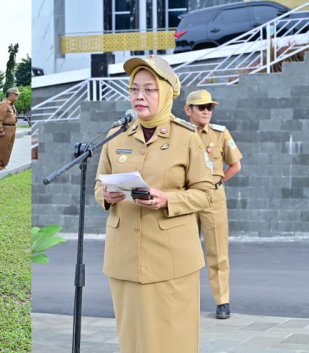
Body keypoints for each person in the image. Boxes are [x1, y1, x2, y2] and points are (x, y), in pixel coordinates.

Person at [94, 55, 214, 352]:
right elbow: (100, 183)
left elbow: (205, 192)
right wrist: (106, 196)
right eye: (135, 88)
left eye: (149, 89)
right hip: (125, 258)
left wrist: (167, 199)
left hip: (171, 258)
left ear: (166, 93)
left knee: (174, 338)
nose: (139, 96)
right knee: (134, 338)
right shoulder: (115, 135)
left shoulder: (187, 138)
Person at [184, 89, 243, 319]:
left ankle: (222, 301)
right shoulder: (180, 134)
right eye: (202, 107)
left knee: (217, 250)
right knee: (185, 251)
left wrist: (216, 184)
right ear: (188, 110)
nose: (207, 111)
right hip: (186, 197)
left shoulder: (220, 133)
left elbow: (235, 165)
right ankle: (186, 301)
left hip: (212, 197)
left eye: (210, 107)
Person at [0, 87, 20, 171]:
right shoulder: (3, 105)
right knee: (3, 148)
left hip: (12, 128)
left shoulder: (11, 105)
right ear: (10, 95)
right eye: (16, 95)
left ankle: (4, 165)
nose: (17, 97)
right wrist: (1, 130)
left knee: (9, 148)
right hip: (6, 128)